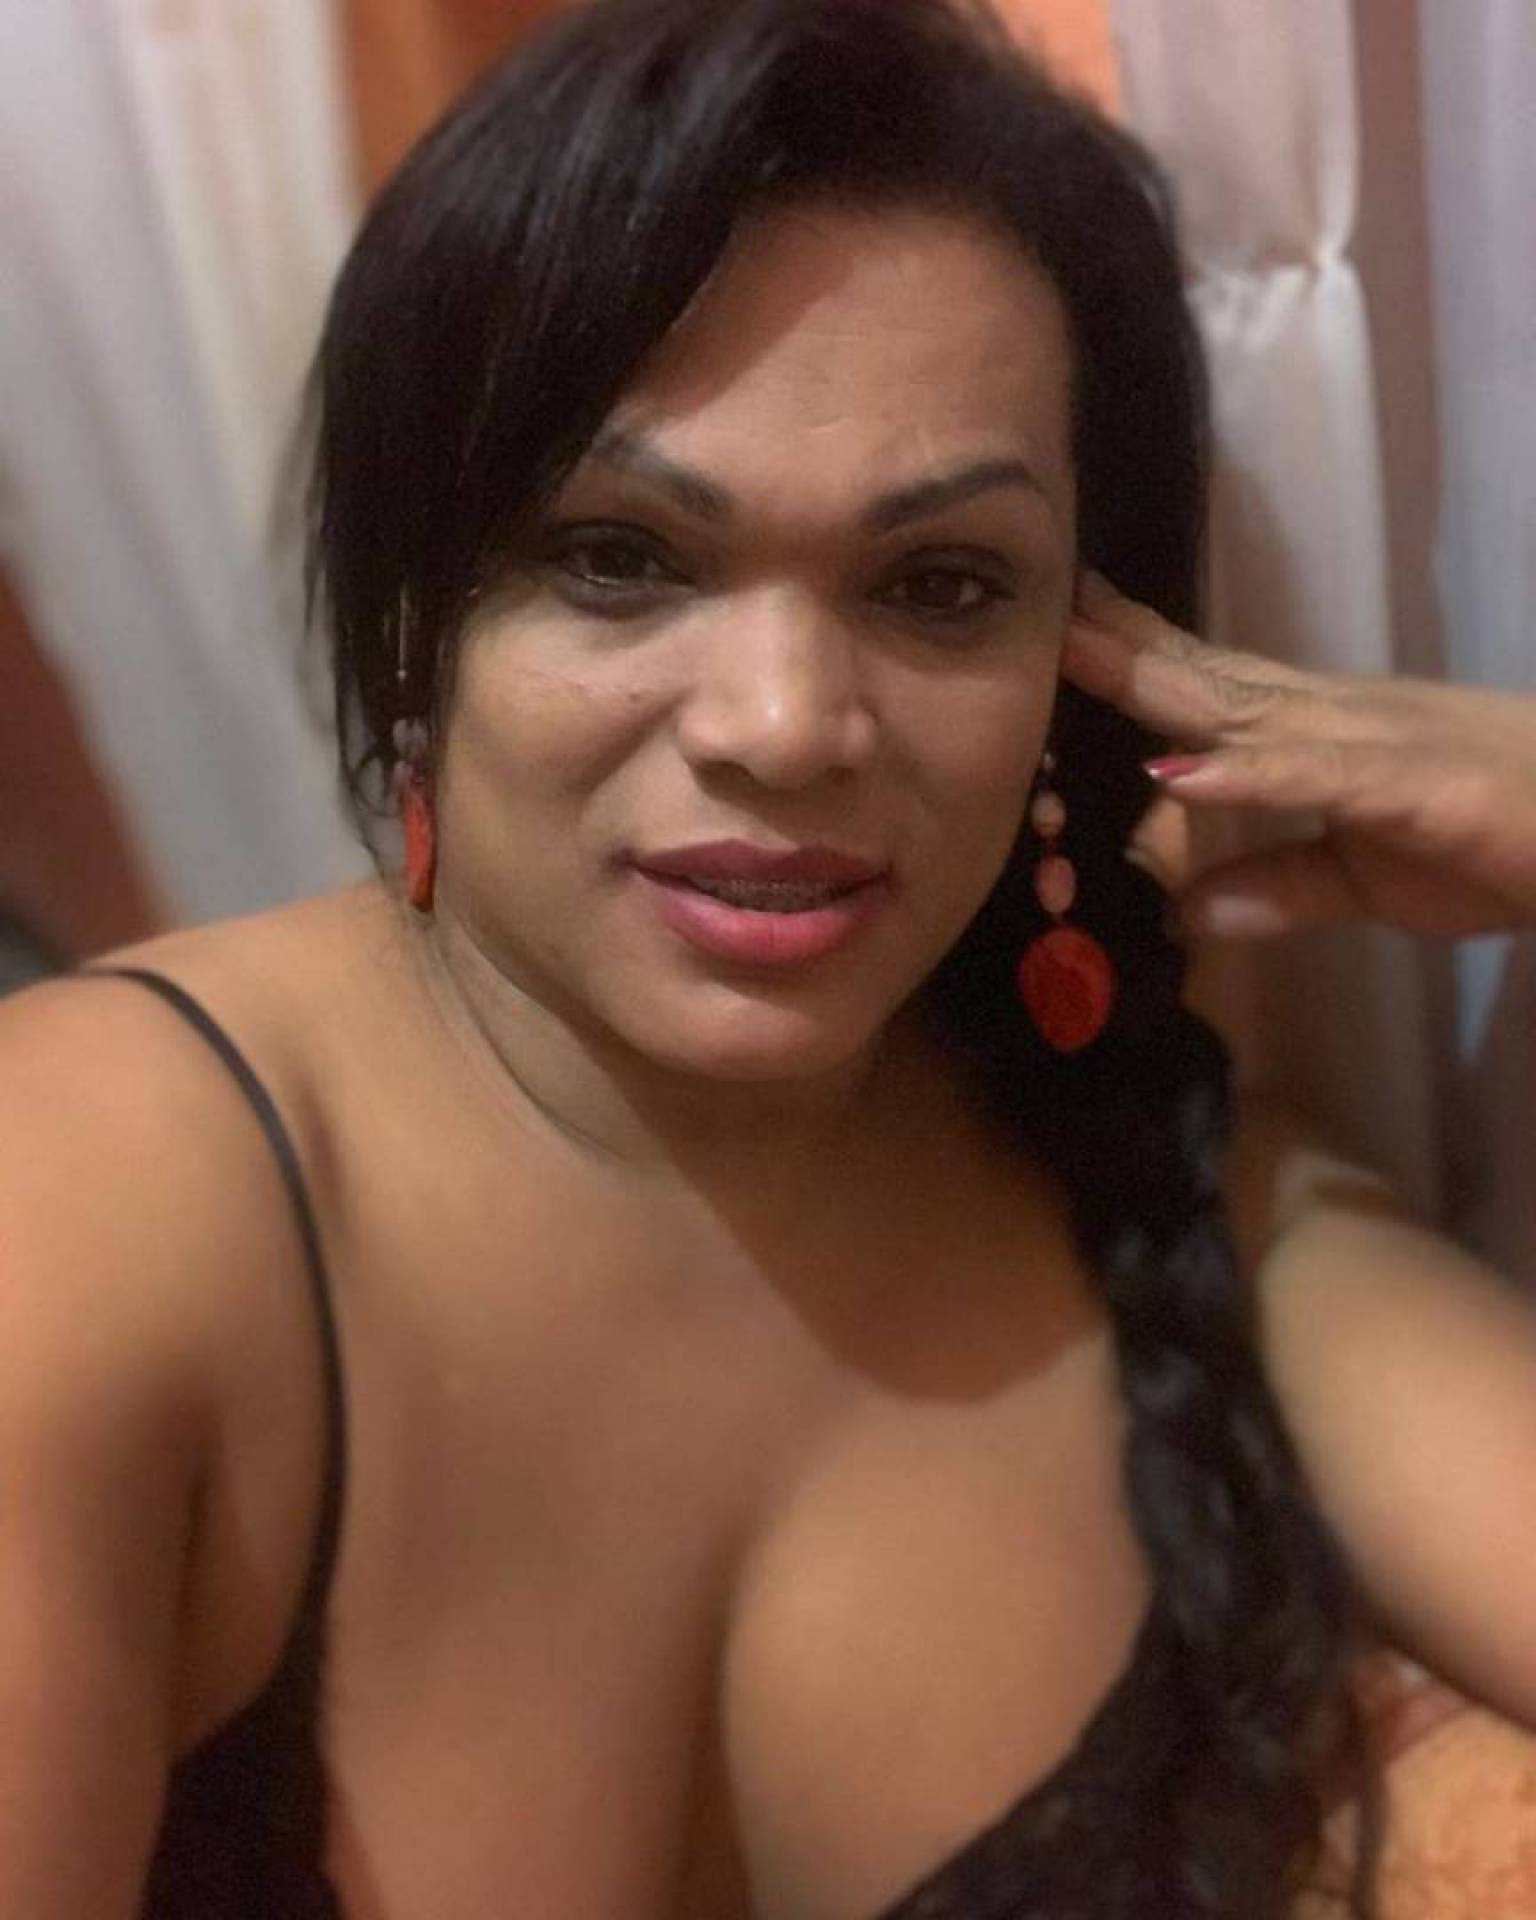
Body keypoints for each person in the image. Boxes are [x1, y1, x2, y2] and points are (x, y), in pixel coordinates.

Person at [1, 1, 1533, 1915]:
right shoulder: (92, 1197)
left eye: (941, 585)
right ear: (414, 620)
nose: (788, 725)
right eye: (620, 557)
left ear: (1089, 664)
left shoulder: (1178, 1215)